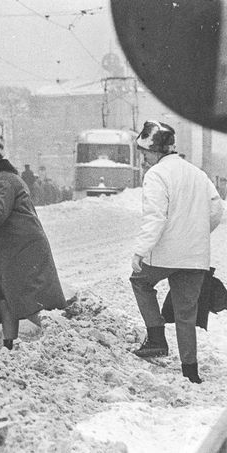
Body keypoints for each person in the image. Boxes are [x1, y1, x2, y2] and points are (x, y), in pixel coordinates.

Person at [129, 120, 224, 384]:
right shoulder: (197, 173)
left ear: (156, 150)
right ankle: (190, 371)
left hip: (166, 254)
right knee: (186, 313)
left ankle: (157, 337)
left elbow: (155, 217)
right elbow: (216, 210)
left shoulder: (157, 175)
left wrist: (140, 252)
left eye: (145, 152)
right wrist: (196, 234)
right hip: (195, 257)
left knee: (140, 281)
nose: (144, 158)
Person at [0, 132, 67, 350]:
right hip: (11, 251)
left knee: (31, 302)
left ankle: (66, 338)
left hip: (21, 251)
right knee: (4, 298)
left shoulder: (2, 180)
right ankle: (9, 345)